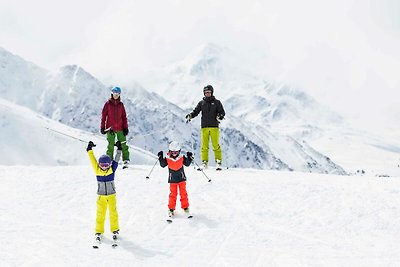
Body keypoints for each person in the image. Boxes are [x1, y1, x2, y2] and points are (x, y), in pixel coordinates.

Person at [87, 140, 122, 245]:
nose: (104, 167)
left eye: (106, 165)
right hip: (101, 196)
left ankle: (114, 229)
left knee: (113, 213)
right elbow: (92, 160)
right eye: (102, 164)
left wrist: (119, 149)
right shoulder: (97, 170)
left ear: (109, 164)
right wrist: (89, 150)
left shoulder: (112, 170)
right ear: (99, 164)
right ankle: (98, 231)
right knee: (100, 214)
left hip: (111, 196)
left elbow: (116, 159)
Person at [185, 85, 225, 170]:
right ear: (204, 93)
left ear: (212, 93)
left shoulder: (217, 102)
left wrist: (220, 116)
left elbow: (222, 112)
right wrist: (190, 116)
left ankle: (218, 162)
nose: (207, 94)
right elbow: (196, 111)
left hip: (214, 126)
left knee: (215, 145)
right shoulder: (201, 103)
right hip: (204, 127)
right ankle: (204, 163)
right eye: (206, 92)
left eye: (209, 92)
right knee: (204, 146)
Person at [158, 141, 193, 219]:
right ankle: (171, 209)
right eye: (172, 152)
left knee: (183, 193)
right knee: (173, 195)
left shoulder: (181, 157)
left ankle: (185, 207)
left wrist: (189, 157)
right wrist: (160, 157)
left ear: (179, 151)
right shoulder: (167, 158)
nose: (174, 154)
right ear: (170, 151)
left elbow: (187, 164)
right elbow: (163, 165)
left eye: (176, 152)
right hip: (172, 179)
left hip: (181, 179)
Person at [101, 86, 130, 169]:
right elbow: (103, 116)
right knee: (110, 145)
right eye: (114, 93)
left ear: (119, 94)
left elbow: (124, 117)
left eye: (117, 94)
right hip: (110, 129)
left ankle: (126, 160)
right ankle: (109, 160)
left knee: (123, 144)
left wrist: (125, 128)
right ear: (112, 94)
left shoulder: (121, 105)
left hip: (120, 128)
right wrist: (103, 128)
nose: (116, 95)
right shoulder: (107, 104)